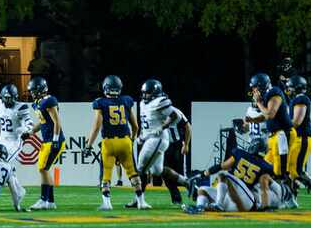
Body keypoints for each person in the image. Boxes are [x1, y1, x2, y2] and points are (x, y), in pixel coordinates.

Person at [83, 75, 144, 211]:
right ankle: (141, 201)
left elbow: (96, 127)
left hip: (109, 142)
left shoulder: (100, 102)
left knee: (106, 173)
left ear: (105, 88)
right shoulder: (127, 101)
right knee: (132, 172)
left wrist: (88, 145)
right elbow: (135, 126)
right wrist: (132, 140)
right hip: (125, 141)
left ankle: (107, 203)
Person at [184, 138, 285, 213]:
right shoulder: (266, 165)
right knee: (202, 189)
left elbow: (222, 166)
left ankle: (218, 205)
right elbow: (266, 183)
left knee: (223, 174)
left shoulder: (240, 153)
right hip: (234, 199)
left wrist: (202, 174)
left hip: (245, 197)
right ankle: (199, 208)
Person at [127, 79, 182, 210]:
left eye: (147, 93)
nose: (144, 96)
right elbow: (147, 123)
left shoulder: (160, 101)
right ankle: (188, 183)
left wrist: (163, 126)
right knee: (158, 170)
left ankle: (138, 200)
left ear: (155, 92)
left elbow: (175, 116)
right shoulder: (142, 103)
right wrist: (141, 135)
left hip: (157, 139)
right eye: (144, 93)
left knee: (140, 168)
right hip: (149, 138)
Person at [285, 75, 311, 206]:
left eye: (290, 87)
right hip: (296, 139)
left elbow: (297, 121)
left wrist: (282, 126)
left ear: (297, 87)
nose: (288, 90)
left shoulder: (301, 99)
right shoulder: (296, 99)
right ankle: (292, 199)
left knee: (295, 170)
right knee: (290, 170)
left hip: (302, 138)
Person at [248, 73, 294, 184]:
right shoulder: (268, 94)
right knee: (265, 168)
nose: (254, 90)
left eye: (255, 87)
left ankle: (289, 195)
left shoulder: (274, 93)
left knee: (280, 170)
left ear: (261, 86)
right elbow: (265, 116)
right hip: (274, 135)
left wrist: (258, 102)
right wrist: (252, 120)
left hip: (283, 134)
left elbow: (270, 115)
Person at [26, 76, 63, 210]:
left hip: (53, 140)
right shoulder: (38, 103)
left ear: (41, 89)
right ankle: (51, 202)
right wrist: (30, 132)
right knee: (44, 169)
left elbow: (57, 122)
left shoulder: (49, 101)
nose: (32, 93)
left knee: (43, 169)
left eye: (34, 91)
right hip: (46, 140)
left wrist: (55, 140)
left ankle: (43, 200)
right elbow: (43, 123)